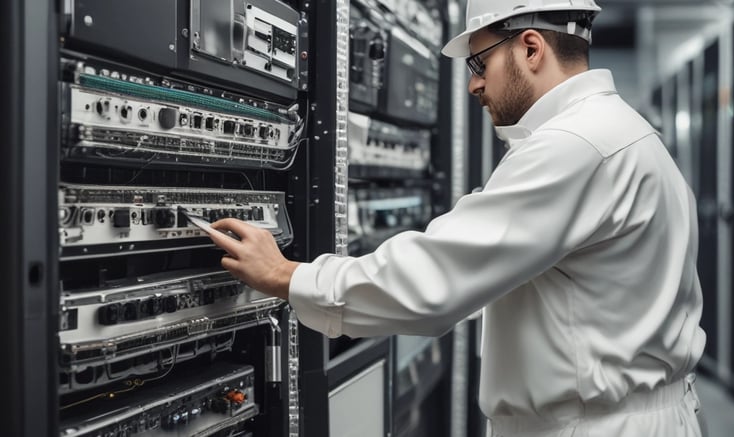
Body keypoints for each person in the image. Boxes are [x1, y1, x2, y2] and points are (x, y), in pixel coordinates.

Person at [208, 0, 706, 435]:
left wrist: (286, 274)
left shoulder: (575, 146)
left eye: (478, 61)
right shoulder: (628, 134)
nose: (473, 84)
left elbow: (434, 278)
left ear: (531, 48)